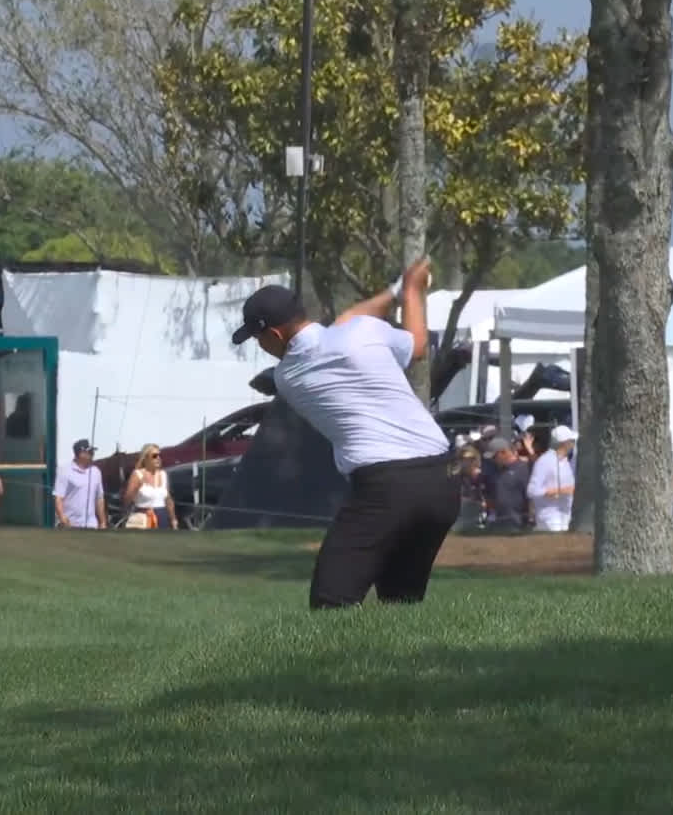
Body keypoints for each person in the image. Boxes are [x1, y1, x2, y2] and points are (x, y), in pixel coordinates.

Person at [230, 259, 456, 609]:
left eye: (258, 338)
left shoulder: (289, 377)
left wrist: (401, 290)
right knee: (400, 603)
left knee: (330, 601)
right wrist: (408, 292)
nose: (259, 346)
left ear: (274, 335)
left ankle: (336, 665)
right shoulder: (362, 332)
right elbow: (418, 346)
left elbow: (342, 323)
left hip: (386, 486)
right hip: (442, 481)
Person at [526, 426, 577, 532]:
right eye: (572, 441)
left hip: (566, 517)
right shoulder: (544, 461)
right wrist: (560, 491)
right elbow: (532, 491)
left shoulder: (566, 462)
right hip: (549, 519)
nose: (574, 443)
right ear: (564, 443)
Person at [52, 439, 107, 529]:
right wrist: (62, 518)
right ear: (81, 453)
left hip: (92, 525)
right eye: (90, 452)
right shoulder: (65, 470)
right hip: (71, 525)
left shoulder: (96, 472)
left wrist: (102, 522)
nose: (92, 454)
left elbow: (99, 499)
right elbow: (58, 498)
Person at [122, 443, 176, 530]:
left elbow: (168, 499)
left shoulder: (163, 474)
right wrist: (137, 487)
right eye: (155, 456)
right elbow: (127, 499)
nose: (158, 458)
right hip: (142, 519)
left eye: (159, 455)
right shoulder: (137, 474)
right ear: (145, 458)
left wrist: (174, 520)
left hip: (162, 518)